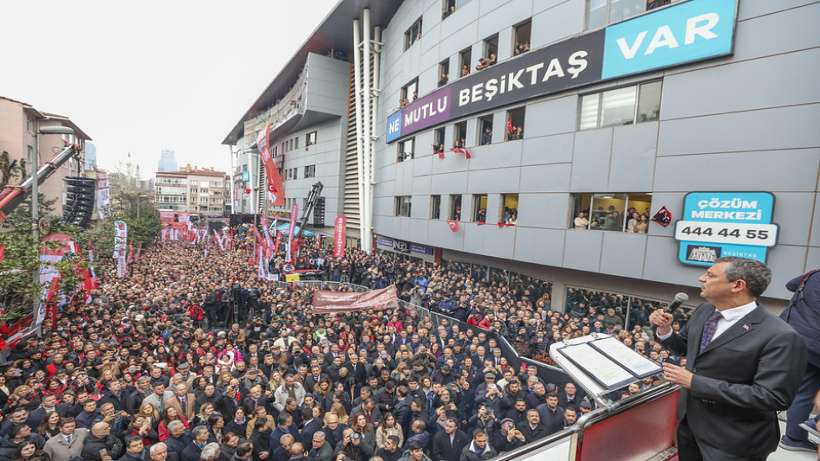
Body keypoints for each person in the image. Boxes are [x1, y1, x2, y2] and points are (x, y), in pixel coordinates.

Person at [649, 257, 807, 460]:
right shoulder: (704, 310)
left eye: (710, 275)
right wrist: (665, 330)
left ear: (738, 285)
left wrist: (694, 382)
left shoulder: (780, 336)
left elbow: (772, 397)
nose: (701, 278)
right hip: (690, 428)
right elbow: (685, 348)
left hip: (734, 441)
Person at [779, 269, 820, 453]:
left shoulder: (814, 273)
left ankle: (794, 437)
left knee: (805, 390)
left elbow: (790, 285)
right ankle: (816, 422)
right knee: (806, 389)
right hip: (816, 342)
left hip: (795, 336)